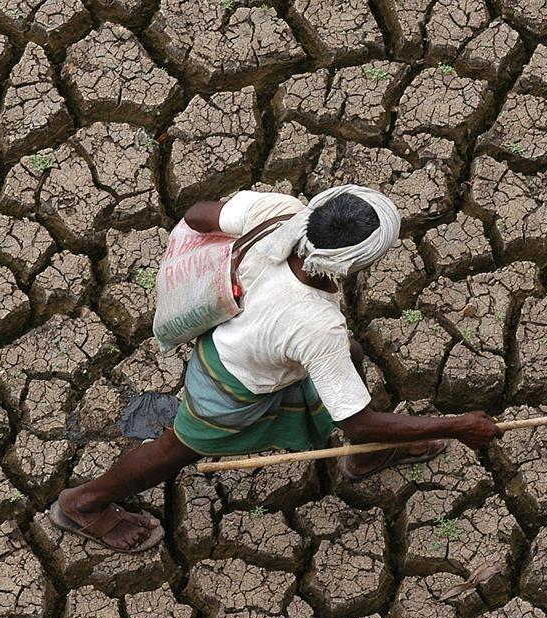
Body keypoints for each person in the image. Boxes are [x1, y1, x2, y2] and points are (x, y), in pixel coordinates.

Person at [49, 185, 503, 552]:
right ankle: (84, 503)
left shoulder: (279, 211)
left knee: (353, 356)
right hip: (229, 381)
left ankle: (370, 454)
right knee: (176, 448)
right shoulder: (315, 325)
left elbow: (198, 214)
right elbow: (356, 418)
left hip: (236, 329)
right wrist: (459, 425)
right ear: (355, 264)